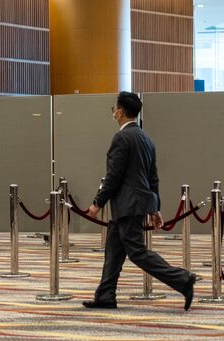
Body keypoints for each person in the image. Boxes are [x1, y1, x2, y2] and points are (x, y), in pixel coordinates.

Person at [83, 92, 196, 311]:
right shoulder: (146, 138)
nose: (113, 112)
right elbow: (153, 177)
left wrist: (97, 203)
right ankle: (105, 295)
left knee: (137, 252)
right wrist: (155, 208)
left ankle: (182, 279)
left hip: (128, 204)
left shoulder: (122, 138)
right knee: (114, 250)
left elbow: (113, 176)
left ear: (120, 112)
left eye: (113, 108)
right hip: (138, 203)